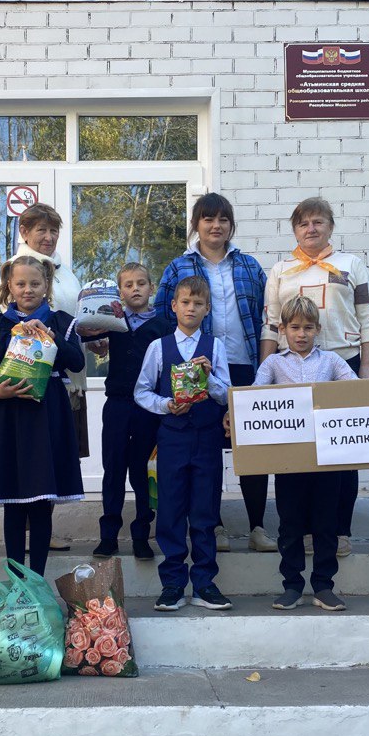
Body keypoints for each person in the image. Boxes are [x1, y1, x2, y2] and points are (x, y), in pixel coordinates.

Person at [262, 197, 369, 557]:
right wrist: (260, 383)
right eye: (303, 223)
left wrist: (367, 367)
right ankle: (307, 530)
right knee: (298, 452)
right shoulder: (280, 270)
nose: (310, 229)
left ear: (330, 226)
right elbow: (269, 324)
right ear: (294, 229)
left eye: (318, 222)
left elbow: (367, 319)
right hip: (290, 367)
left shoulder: (351, 264)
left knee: (344, 451)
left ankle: (340, 530)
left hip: (341, 362)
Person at [154, 194, 268, 554]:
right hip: (195, 369)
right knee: (206, 449)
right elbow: (160, 317)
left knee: (252, 446)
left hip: (245, 365)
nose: (215, 225)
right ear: (196, 224)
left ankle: (258, 526)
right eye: (207, 219)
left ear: (230, 225)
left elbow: (268, 317)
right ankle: (213, 524)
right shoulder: (177, 268)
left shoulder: (250, 266)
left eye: (222, 219)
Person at [0, 254, 85, 577]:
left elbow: (76, 362)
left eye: (35, 283)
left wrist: (50, 338)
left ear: (46, 285)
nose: (27, 289)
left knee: (41, 502)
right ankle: (16, 577)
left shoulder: (61, 322)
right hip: (8, 417)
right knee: (13, 500)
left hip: (48, 415)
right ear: (9, 286)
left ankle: (36, 578)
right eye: (20, 283)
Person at [251, 296, 355, 611]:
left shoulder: (332, 362)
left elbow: (356, 392)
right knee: (290, 523)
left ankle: (323, 586)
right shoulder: (273, 363)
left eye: (308, 327)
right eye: (294, 327)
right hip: (288, 461)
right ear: (282, 329)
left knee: (326, 523)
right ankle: (292, 585)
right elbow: (253, 398)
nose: (301, 334)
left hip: (327, 457)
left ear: (318, 329)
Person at [136, 275, 232, 611]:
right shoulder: (158, 347)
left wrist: (212, 378)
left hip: (206, 438)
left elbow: (225, 396)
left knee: (205, 511)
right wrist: (166, 405)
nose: (191, 308)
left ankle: (205, 583)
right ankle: (173, 583)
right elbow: (142, 391)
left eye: (198, 304)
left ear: (207, 309)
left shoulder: (215, 347)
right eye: (185, 302)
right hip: (172, 437)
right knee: (171, 510)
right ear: (174, 306)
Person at [9, 201, 85, 548]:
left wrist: (91, 339)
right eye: (41, 229)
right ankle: (27, 529)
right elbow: (12, 321)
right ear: (24, 232)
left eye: (54, 230)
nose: (49, 236)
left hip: (64, 372)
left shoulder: (62, 270)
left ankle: (43, 527)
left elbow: (72, 319)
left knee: (50, 456)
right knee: (28, 455)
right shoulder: (19, 268)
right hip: (31, 373)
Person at [90, 261, 165, 561]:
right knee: (114, 468)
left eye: (141, 283)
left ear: (151, 288)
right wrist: (96, 344)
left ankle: (141, 535)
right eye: (128, 284)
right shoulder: (112, 322)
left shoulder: (162, 325)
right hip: (118, 405)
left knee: (142, 471)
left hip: (148, 408)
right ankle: (108, 535)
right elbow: (87, 336)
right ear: (120, 291)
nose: (135, 288)